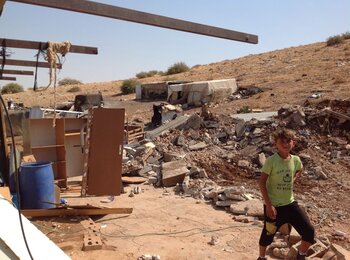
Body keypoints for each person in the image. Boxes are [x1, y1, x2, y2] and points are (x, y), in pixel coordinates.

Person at [257, 128, 314, 260]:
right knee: (267, 234)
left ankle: (301, 255)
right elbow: (261, 183)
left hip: (290, 204)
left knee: (309, 231)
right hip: (274, 207)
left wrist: (293, 179)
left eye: (288, 141)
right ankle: (261, 257)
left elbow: (299, 169)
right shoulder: (271, 161)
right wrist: (269, 205)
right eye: (281, 141)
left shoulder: (295, 160)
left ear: (293, 143)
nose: (285, 144)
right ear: (275, 144)